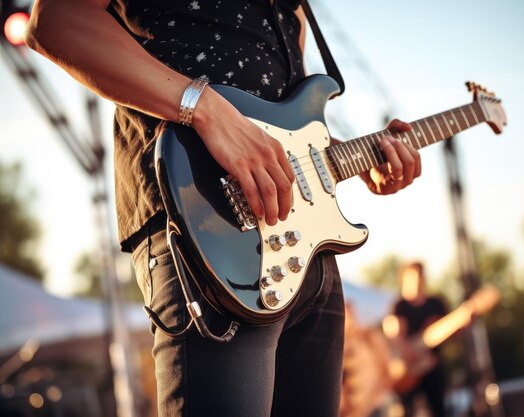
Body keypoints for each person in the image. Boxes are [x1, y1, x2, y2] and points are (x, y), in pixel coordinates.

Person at [24, 1, 423, 416]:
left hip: (308, 251)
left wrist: (358, 159)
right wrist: (204, 109)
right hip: (203, 221)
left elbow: (288, 119)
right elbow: (56, 22)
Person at [392, 262, 447, 417]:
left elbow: (451, 333)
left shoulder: (436, 304)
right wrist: (408, 352)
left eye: (418, 277)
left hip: (433, 368)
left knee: (439, 409)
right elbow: (396, 335)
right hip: (409, 370)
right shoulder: (399, 306)